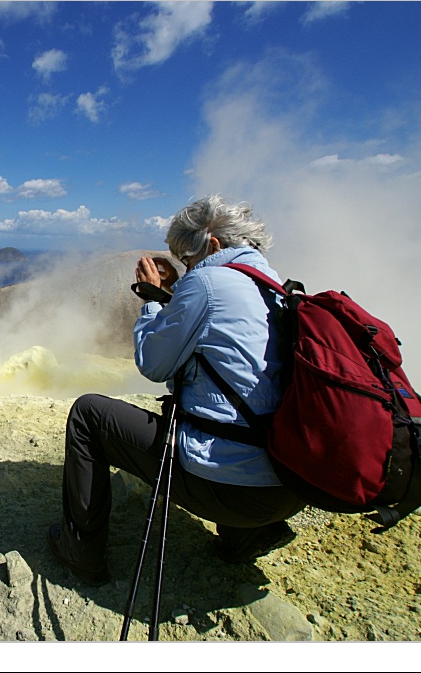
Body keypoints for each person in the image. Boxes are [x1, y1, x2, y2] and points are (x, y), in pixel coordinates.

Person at [47, 195, 306, 586]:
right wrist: (181, 289)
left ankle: (80, 550)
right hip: (289, 486)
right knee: (235, 418)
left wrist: (151, 299)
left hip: (229, 489)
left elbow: (154, 363)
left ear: (213, 245)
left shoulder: (208, 282)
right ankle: (249, 533)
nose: (189, 268)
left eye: (188, 259)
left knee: (89, 414)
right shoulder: (276, 289)